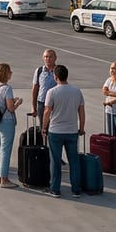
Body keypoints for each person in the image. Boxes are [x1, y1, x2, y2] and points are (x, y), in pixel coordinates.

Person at [42, 65, 86, 197]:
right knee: (74, 161)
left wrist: (44, 128)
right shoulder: (77, 91)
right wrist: (81, 128)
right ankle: (76, 189)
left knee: (55, 162)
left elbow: (47, 112)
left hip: (56, 131)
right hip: (72, 130)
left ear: (55, 77)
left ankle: (55, 189)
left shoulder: (52, 92)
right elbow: (81, 112)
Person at [0, 63, 23, 188]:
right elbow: (10, 108)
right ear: (5, 74)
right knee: (5, 150)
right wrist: (17, 102)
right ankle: (4, 179)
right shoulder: (7, 88)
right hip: (6, 121)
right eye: (9, 71)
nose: (11, 73)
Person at [30, 48, 58, 122]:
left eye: (50, 57)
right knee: (43, 127)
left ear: (55, 58)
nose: (48, 59)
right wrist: (33, 107)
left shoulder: (58, 70)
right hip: (42, 103)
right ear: (43, 58)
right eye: (46, 57)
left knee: (54, 126)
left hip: (55, 104)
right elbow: (35, 89)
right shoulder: (39, 71)